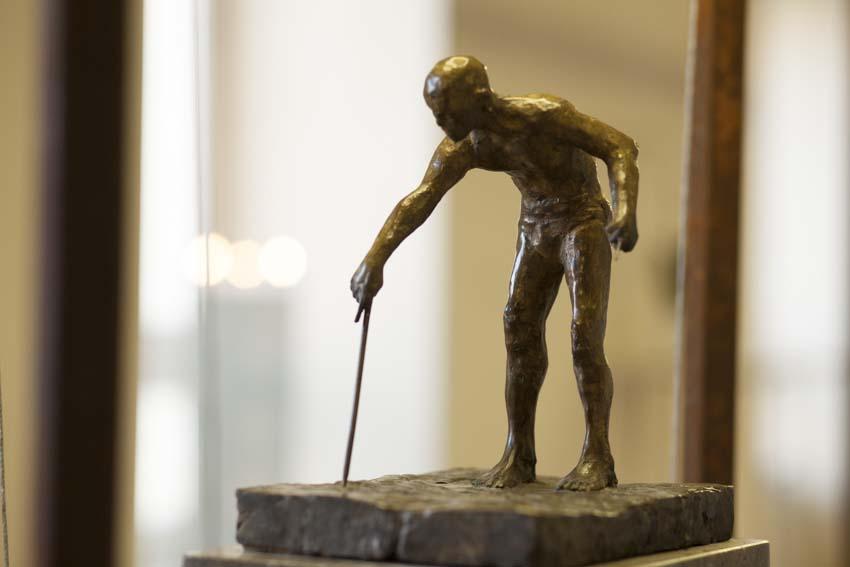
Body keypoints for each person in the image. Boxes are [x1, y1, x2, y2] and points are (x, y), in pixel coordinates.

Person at [350, 55, 639, 491]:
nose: (440, 121)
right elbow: (421, 198)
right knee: (518, 327)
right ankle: (519, 453)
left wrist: (625, 209)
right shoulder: (467, 145)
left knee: (584, 334)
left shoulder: (544, 115)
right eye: (435, 112)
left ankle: (597, 454)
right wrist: (375, 259)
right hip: (535, 227)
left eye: (446, 111)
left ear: (478, 99)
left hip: (582, 220)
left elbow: (620, 146)